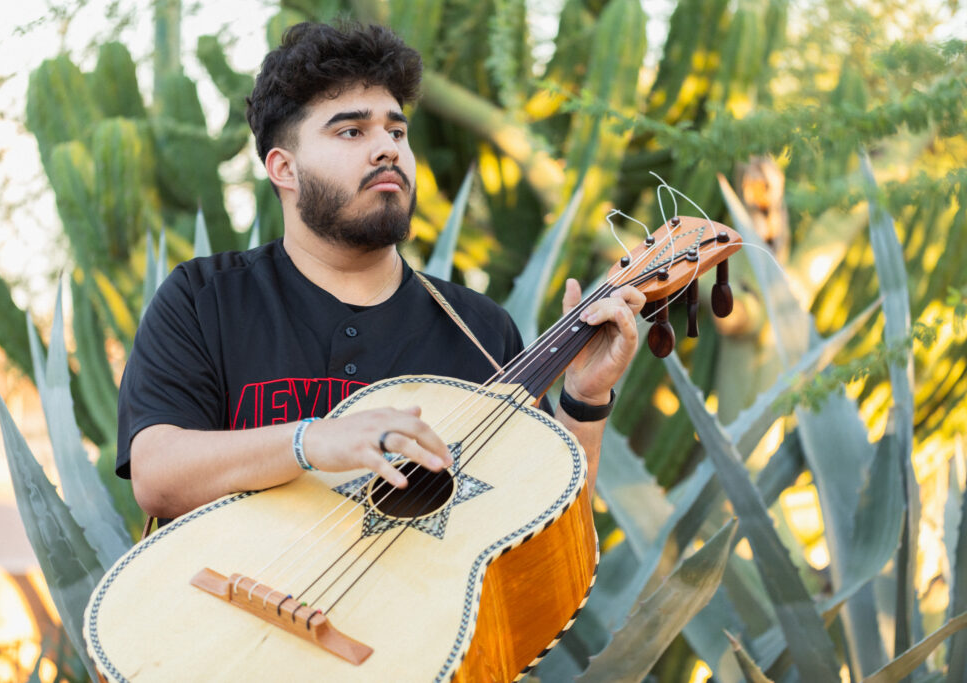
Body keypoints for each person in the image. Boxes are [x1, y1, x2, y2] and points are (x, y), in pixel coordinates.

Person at [115, 21, 645, 521]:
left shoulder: (480, 331)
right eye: (351, 132)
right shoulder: (205, 299)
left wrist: (585, 401)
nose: (387, 148)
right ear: (284, 168)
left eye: (397, 131)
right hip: (240, 611)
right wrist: (311, 442)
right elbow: (157, 475)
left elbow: (544, 535)